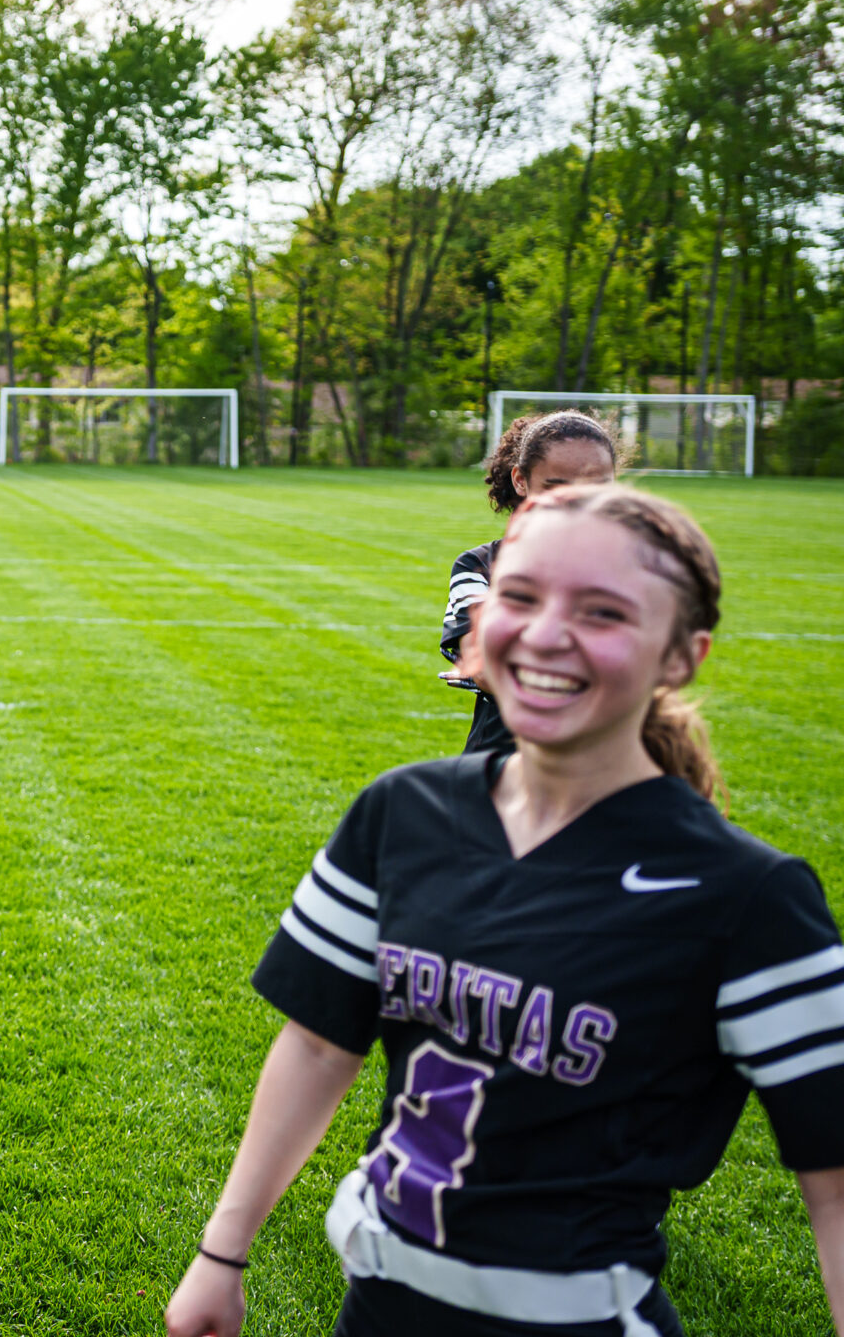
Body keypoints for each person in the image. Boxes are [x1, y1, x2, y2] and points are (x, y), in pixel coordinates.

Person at [165, 484, 844, 1337]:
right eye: (520, 597)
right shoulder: (401, 813)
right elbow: (315, 1040)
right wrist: (221, 1254)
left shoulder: (749, 896)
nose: (546, 633)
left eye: (602, 611)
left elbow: (836, 1182)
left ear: (682, 656)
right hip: (378, 1307)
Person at [442, 411, 618, 755]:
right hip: (504, 764)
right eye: (559, 487)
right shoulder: (480, 567)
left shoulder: (638, 564)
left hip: (611, 768)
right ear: (521, 480)